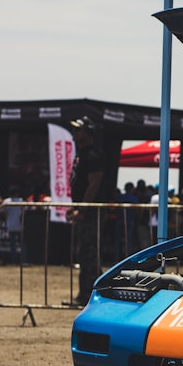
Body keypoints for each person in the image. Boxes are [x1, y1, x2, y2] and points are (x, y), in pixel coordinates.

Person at [67, 116, 106, 306]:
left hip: (91, 213)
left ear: (88, 132)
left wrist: (83, 208)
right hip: (84, 210)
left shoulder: (93, 155)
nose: (74, 133)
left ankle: (89, 296)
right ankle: (88, 294)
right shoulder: (81, 154)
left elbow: (94, 184)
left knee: (89, 254)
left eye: (78, 130)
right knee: (84, 254)